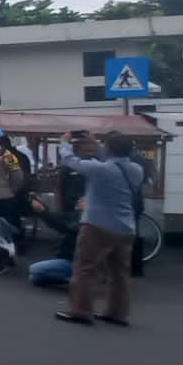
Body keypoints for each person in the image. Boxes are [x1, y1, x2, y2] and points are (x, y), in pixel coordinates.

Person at [54, 131, 143, 326]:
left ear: (109, 148)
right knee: (119, 272)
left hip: (97, 225)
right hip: (126, 227)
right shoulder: (136, 169)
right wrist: (98, 143)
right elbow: (116, 159)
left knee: (84, 268)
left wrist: (64, 143)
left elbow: (70, 160)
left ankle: (81, 310)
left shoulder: (100, 170)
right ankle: (118, 313)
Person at [27, 195, 82, 288]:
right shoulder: (74, 215)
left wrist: (42, 212)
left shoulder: (86, 222)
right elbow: (55, 217)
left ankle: (76, 278)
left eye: (83, 200)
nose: (79, 200)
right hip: (64, 257)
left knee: (34, 269)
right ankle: (71, 278)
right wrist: (43, 207)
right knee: (35, 278)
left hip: (74, 261)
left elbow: (63, 227)